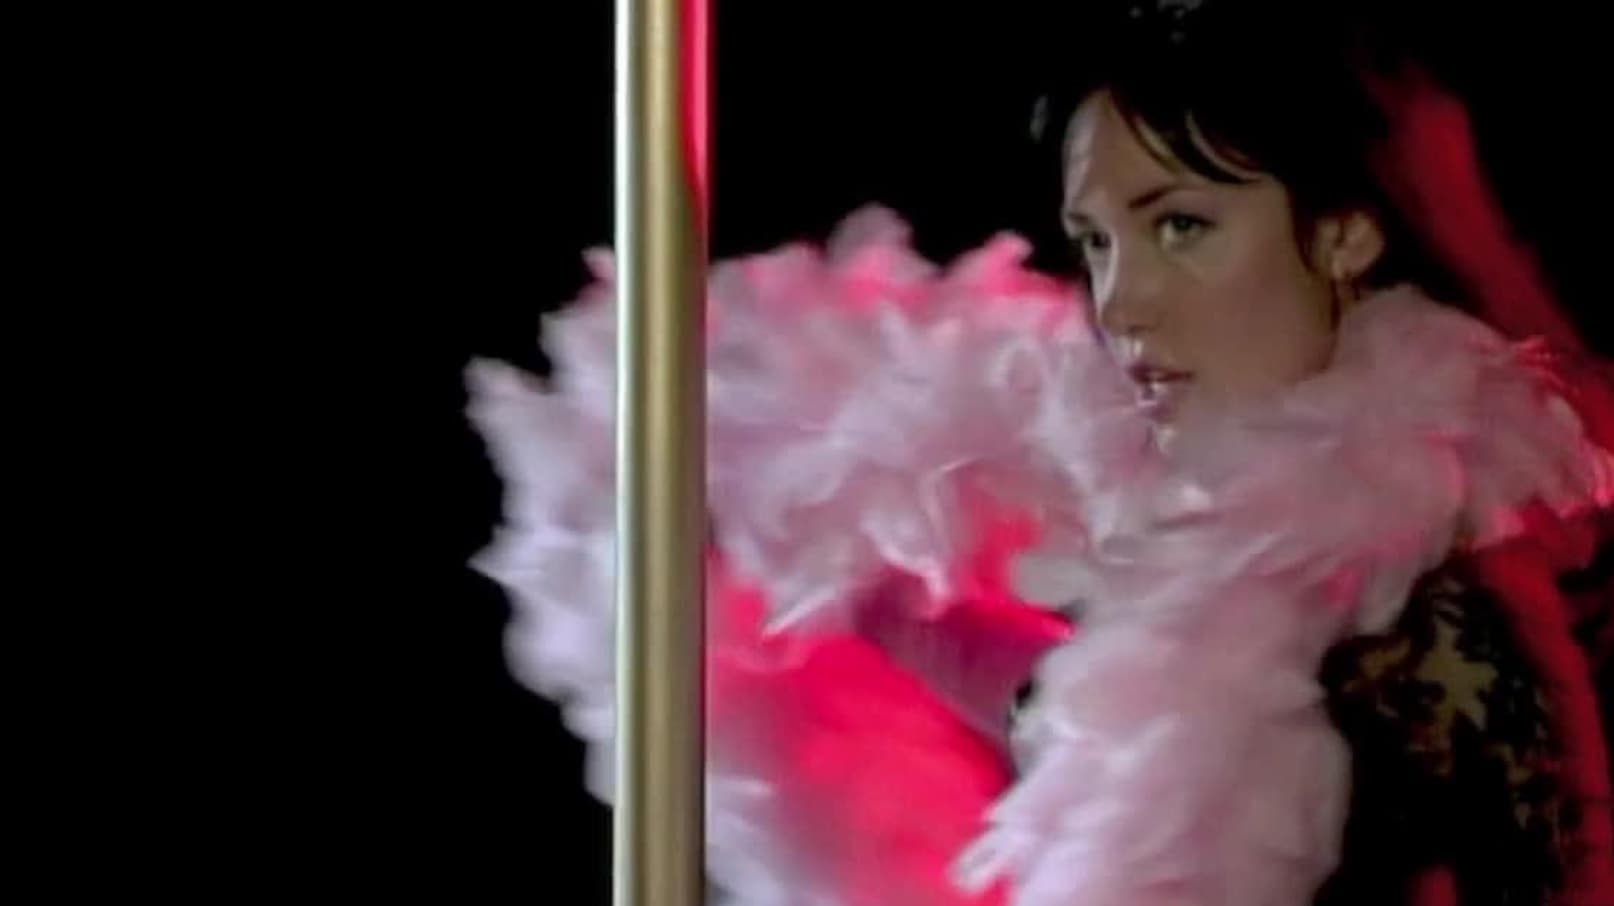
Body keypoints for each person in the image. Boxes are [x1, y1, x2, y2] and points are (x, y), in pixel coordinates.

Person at [469, 2, 1613, 903]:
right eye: (1096, 243)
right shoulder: (1230, 583)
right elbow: (1106, 721)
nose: (1124, 302)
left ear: (1347, 230)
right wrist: (788, 550)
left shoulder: (1446, 622)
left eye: (1181, 226)